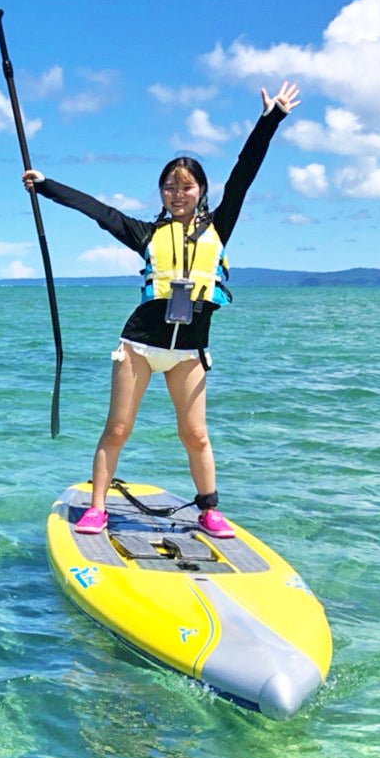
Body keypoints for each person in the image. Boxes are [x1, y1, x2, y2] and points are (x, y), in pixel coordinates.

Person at [22, 81, 301, 537]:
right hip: (139, 345)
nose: (177, 194)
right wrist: (47, 186)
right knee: (117, 428)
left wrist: (270, 120)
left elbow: (245, 171)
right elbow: (98, 210)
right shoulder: (147, 234)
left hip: (189, 351)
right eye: (169, 187)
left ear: (201, 191)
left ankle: (209, 509)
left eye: (185, 187)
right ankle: (97, 507)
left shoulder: (219, 227)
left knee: (196, 435)